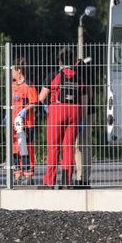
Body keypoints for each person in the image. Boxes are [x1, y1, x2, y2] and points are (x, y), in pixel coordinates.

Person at [39, 48, 84, 188]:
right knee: (69, 147)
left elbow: (41, 98)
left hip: (58, 111)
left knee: (53, 147)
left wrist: (47, 107)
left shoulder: (54, 75)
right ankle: (66, 181)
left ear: (60, 61)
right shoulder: (79, 76)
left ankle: (49, 181)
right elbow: (84, 97)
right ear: (73, 61)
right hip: (75, 111)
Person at [11, 61, 40, 185]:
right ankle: (17, 173)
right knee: (15, 148)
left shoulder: (29, 85)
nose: (11, 72)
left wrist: (24, 111)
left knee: (27, 148)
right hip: (14, 123)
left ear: (19, 71)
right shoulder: (12, 85)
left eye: (12, 70)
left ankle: (28, 175)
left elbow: (34, 102)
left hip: (27, 123)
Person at [73, 55, 96, 188]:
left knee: (79, 147)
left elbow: (88, 94)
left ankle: (80, 178)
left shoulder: (79, 72)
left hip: (82, 112)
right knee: (86, 144)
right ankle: (86, 177)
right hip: (91, 111)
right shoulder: (88, 70)